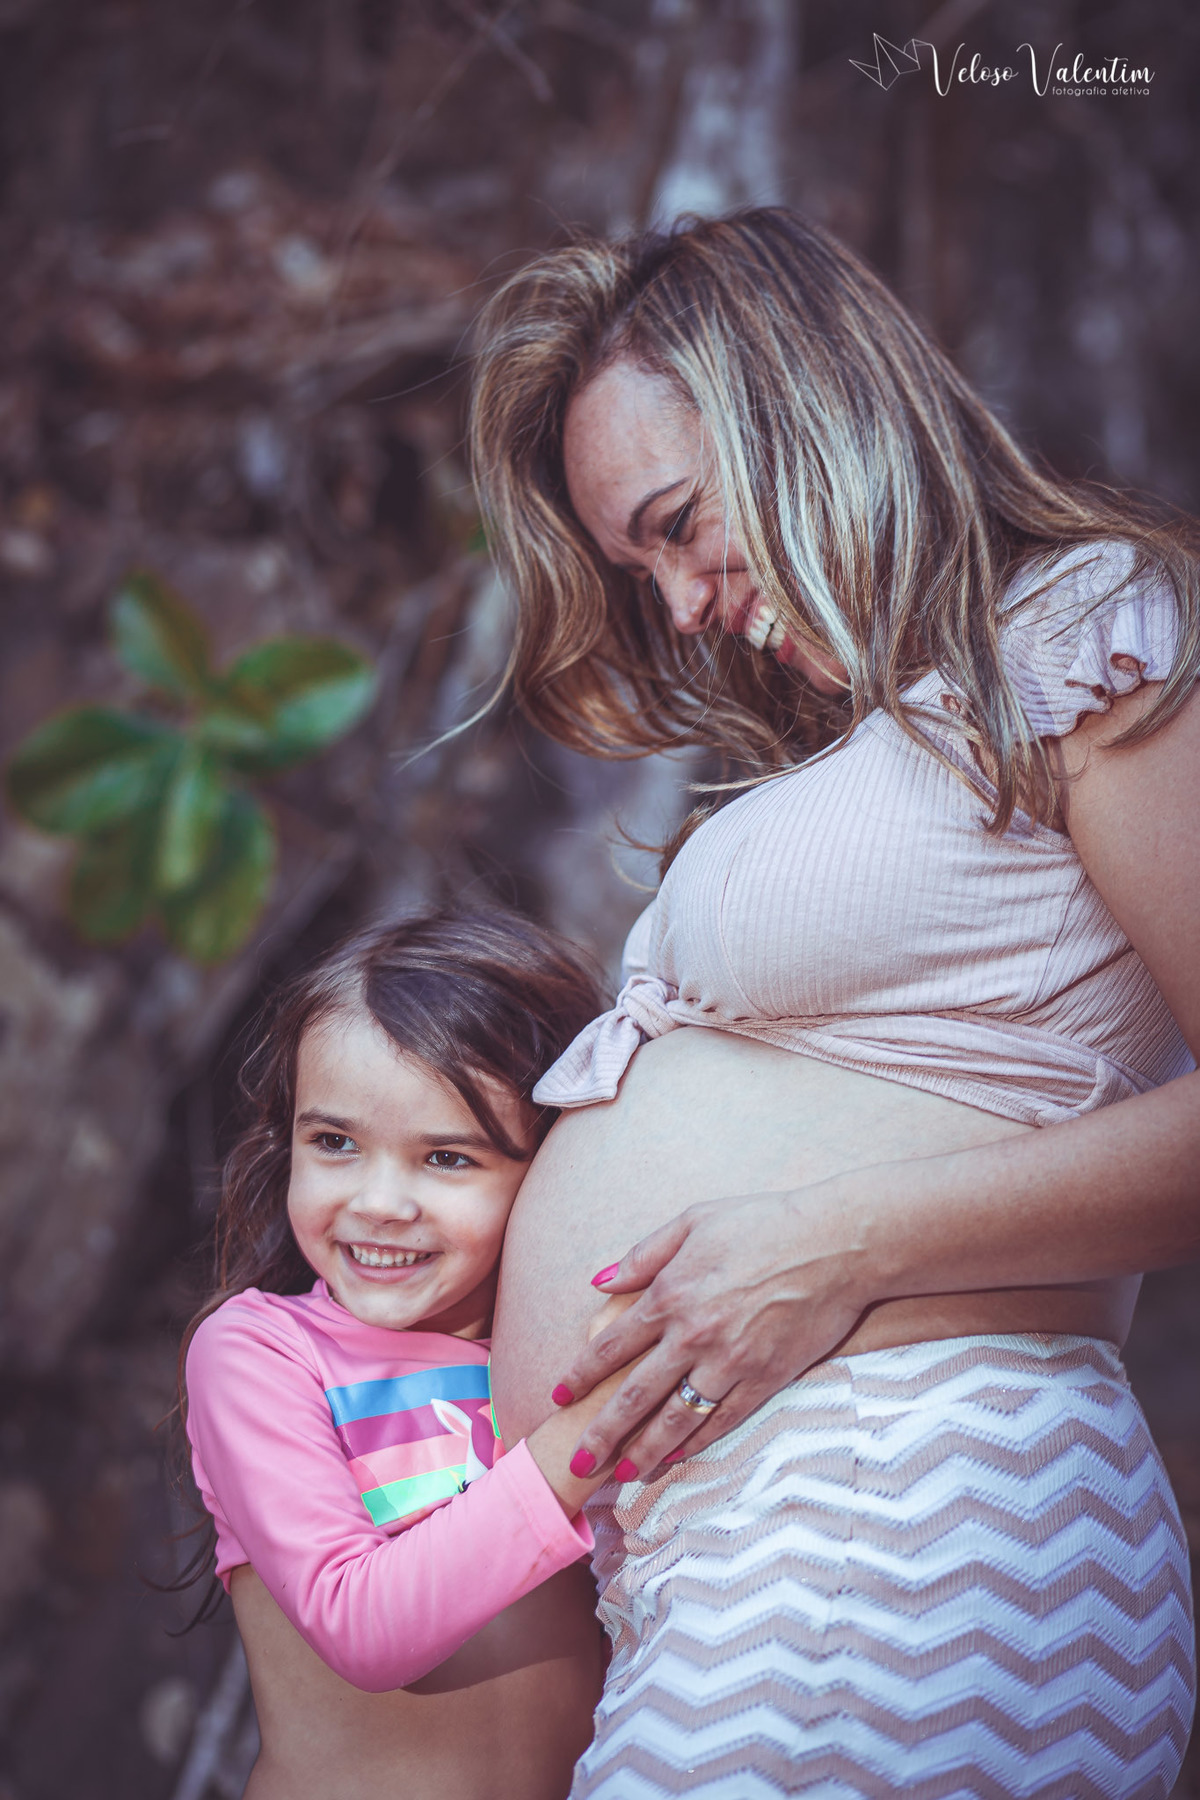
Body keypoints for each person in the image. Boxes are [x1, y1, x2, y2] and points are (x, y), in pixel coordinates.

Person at [471, 209, 1200, 1797]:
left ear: (799, 404)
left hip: (908, 1515)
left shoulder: (1080, 633)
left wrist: (830, 1243)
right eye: (634, 563)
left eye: (677, 520)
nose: (676, 604)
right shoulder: (898, 729)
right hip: (766, 1562)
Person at [181, 909, 635, 1800]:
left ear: (551, 1166)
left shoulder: (562, 1349)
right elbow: (362, 1629)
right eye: (335, 1143)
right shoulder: (261, 1353)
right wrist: (586, 1437)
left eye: (446, 1158)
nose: (381, 1201)